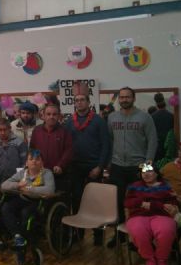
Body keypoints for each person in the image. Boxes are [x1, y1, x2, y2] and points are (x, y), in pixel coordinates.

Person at [108, 87, 158, 233]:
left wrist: (147, 165)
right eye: (122, 97)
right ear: (118, 99)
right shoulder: (112, 117)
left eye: (127, 97)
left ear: (134, 98)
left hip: (138, 166)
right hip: (117, 165)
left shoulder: (145, 117)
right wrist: (109, 162)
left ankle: (137, 235)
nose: (124, 100)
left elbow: (153, 141)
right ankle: (119, 235)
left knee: (138, 202)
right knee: (117, 202)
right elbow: (110, 140)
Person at [64, 89, 111, 245]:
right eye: (76, 100)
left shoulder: (99, 121)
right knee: (77, 200)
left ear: (89, 102)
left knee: (96, 202)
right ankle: (78, 234)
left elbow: (106, 145)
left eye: (82, 99)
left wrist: (100, 167)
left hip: (94, 166)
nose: (79, 102)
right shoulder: (69, 122)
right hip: (75, 167)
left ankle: (98, 235)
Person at [0, 149, 55, 265]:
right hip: (23, 199)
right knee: (6, 208)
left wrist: (30, 189)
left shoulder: (47, 173)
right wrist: (17, 185)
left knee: (26, 213)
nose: (34, 161)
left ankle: (22, 245)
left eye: (37, 159)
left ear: (42, 162)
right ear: (26, 163)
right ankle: (18, 236)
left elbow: (49, 190)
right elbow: (4, 185)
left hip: (38, 202)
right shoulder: (22, 173)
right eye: (31, 159)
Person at [124, 163, 179, 265]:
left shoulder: (166, 187)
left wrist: (151, 205)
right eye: (143, 172)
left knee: (166, 231)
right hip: (138, 215)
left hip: (162, 215)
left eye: (149, 171)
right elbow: (128, 202)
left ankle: (161, 259)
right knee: (138, 230)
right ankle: (149, 259)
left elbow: (171, 204)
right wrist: (147, 204)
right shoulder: (134, 186)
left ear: (157, 173)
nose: (146, 174)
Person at [29, 103, 73, 191]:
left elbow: (68, 151)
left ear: (59, 116)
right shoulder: (37, 130)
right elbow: (33, 149)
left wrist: (60, 165)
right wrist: (34, 164)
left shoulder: (64, 131)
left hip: (58, 174)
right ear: (44, 116)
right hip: (40, 174)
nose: (51, 117)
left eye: (54, 114)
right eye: (48, 114)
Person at [0, 119, 27, 197]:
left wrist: (21, 179)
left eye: (5, 129)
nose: (2, 132)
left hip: (15, 182)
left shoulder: (19, 143)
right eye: (0, 130)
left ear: (10, 129)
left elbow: (24, 163)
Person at [151, 93, 175, 163]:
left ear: (156, 103)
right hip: (169, 144)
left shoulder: (152, 117)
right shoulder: (171, 116)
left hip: (157, 145)